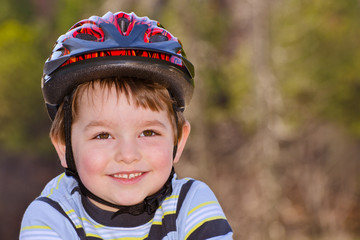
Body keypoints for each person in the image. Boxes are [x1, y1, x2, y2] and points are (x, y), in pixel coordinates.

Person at [20, 11, 233, 239]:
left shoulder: (191, 204)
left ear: (178, 140)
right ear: (64, 145)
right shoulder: (51, 217)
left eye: (148, 132)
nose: (128, 155)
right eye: (102, 135)